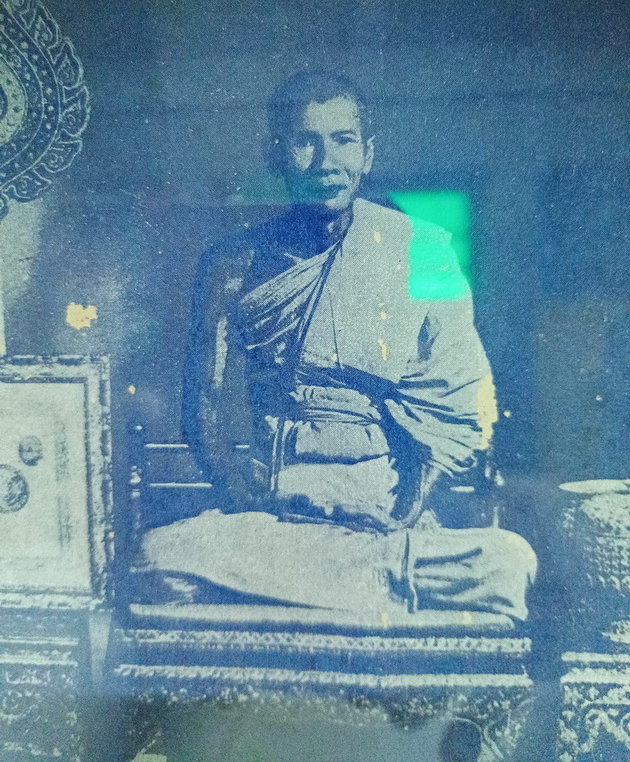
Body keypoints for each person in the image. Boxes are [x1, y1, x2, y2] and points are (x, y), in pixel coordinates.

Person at [137, 71, 536, 623]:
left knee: (508, 560)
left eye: (343, 140)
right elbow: (200, 410)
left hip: (381, 509)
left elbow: (455, 410)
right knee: (159, 555)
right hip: (278, 510)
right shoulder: (233, 263)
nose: (326, 161)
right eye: (306, 141)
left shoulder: (420, 251)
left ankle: (340, 579)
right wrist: (255, 499)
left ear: (368, 154)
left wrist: (403, 515)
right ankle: (376, 582)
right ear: (276, 154)